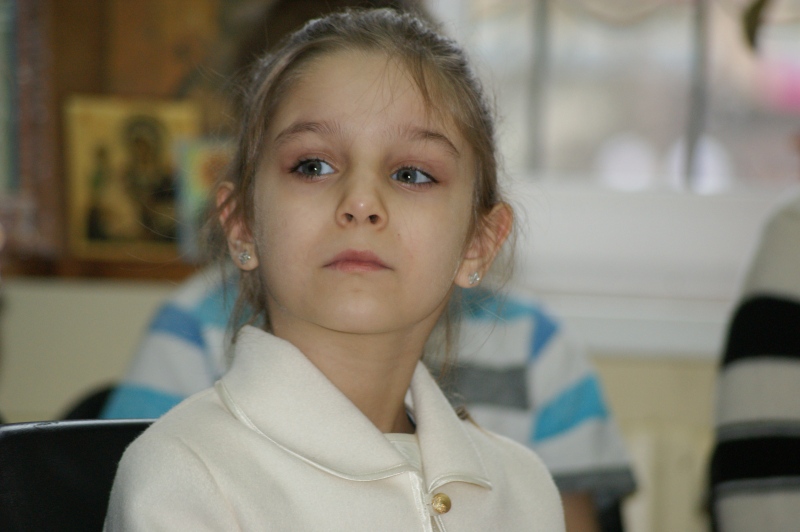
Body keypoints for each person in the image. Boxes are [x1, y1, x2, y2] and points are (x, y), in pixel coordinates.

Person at [104, 9, 565, 530]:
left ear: (477, 245)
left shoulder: (524, 490)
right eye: (313, 166)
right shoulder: (184, 475)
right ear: (242, 225)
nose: (361, 202)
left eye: (412, 174)